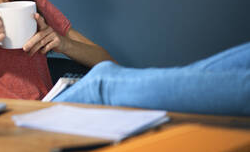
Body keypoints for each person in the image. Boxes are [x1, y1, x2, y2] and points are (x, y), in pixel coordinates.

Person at [53, 41, 250, 115]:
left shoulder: (34, 4)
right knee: (101, 84)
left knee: (197, 72)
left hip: (50, 103)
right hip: (27, 115)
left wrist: (62, 43)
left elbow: (105, 60)